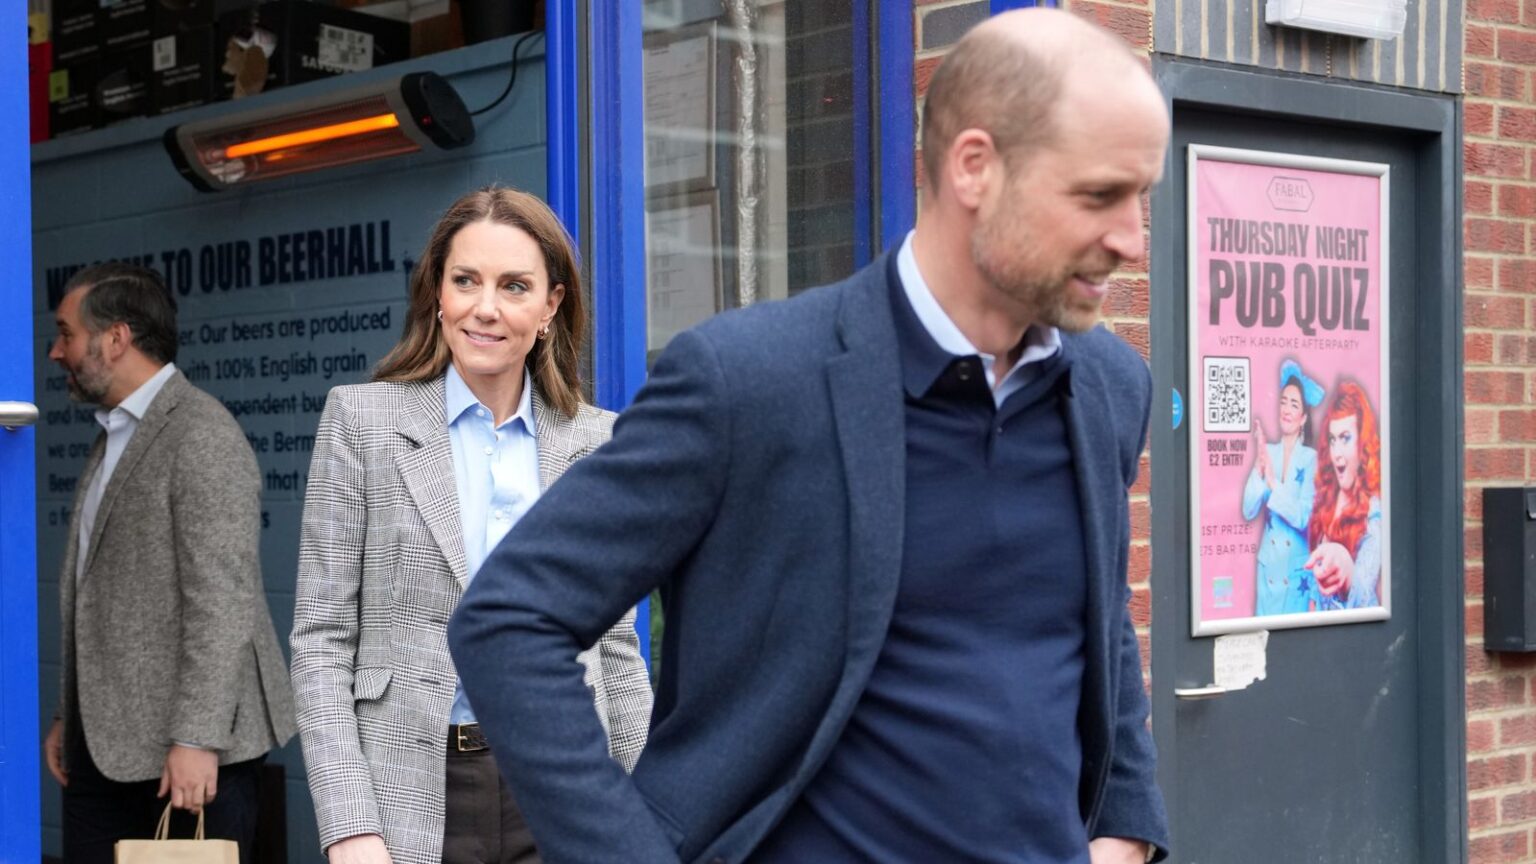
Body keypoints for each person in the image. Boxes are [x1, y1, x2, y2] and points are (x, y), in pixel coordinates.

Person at [450, 9, 1169, 864]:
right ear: (976, 167)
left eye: (1141, 197)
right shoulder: (748, 381)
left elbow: (1099, 628)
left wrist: (1124, 826)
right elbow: (509, 619)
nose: (1130, 238)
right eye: (1098, 195)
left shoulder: (1108, 387)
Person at [290, 186, 652, 864]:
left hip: (566, 791)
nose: (486, 308)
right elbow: (321, 643)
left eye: (514, 286)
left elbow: (616, 653)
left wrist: (652, 813)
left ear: (550, 307)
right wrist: (348, 825)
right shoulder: (362, 423)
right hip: (408, 797)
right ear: (437, 294)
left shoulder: (598, 443)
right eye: (466, 281)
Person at [43, 262, 296, 864]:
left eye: (66, 333)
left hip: (184, 757)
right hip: (107, 750)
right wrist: (69, 717)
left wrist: (197, 738)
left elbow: (222, 602)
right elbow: (99, 593)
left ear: (116, 338)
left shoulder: (202, 435)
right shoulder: (115, 435)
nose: (56, 352)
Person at [1242, 359, 1323, 616]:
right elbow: (1247, 510)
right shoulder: (1269, 453)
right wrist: (1258, 466)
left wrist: (1273, 483)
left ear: (1303, 418)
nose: (1286, 409)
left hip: (1295, 576)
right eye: (1283, 402)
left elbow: (1303, 517)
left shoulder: (1312, 460)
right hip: (1268, 573)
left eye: (1294, 404)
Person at [1304, 379, 1384, 610]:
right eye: (1332, 439)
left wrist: (1345, 568)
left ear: (1362, 442)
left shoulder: (1373, 512)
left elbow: (1361, 589)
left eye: (1345, 438)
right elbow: (1313, 587)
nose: (1336, 453)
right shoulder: (1325, 499)